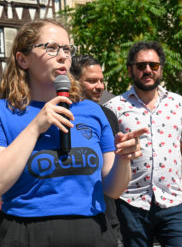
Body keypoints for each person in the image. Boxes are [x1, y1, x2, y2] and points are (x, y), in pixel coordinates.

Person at [0, 18, 147, 247]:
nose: (63, 56)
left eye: (67, 49)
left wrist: (124, 160)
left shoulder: (93, 112)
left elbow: (113, 190)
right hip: (25, 233)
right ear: (22, 59)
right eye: (51, 48)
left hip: (92, 231)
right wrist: (35, 127)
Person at [104, 41, 182, 247]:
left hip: (173, 200)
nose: (147, 70)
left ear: (161, 69)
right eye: (141, 66)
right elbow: (108, 154)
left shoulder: (178, 103)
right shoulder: (113, 107)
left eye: (153, 65)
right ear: (130, 70)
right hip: (131, 202)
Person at [71, 54, 123, 246]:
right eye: (92, 81)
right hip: (70, 220)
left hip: (105, 219)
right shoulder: (57, 112)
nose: (100, 86)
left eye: (101, 81)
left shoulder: (107, 115)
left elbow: (111, 173)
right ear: (73, 81)